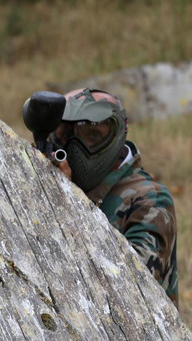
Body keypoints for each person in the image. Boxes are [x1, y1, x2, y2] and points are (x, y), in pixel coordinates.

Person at [44, 88, 178, 307]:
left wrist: (66, 200)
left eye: (93, 135)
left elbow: (133, 289)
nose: (76, 148)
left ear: (117, 138)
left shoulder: (149, 200)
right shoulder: (54, 177)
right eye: (66, 135)